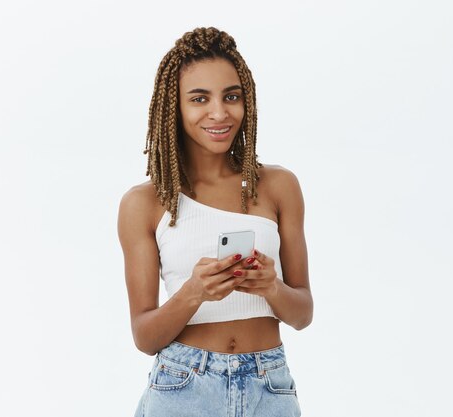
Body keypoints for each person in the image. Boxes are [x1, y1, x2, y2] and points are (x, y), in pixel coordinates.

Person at [117, 27, 313, 417]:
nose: (220, 113)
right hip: (183, 385)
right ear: (175, 107)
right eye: (199, 99)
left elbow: (302, 313)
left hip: (269, 386)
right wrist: (193, 292)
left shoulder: (279, 186)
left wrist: (271, 286)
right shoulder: (145, 203)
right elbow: (145, 336)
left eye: (232, 96)